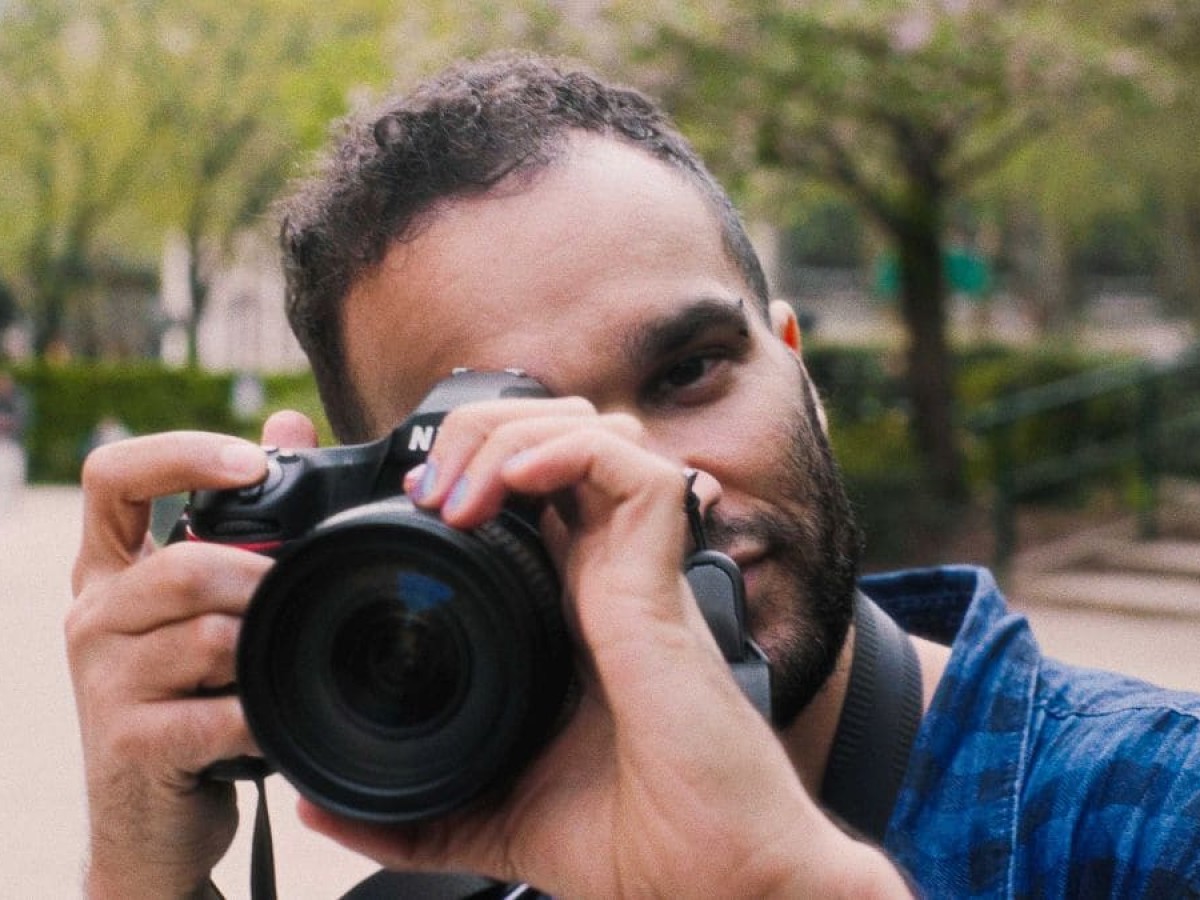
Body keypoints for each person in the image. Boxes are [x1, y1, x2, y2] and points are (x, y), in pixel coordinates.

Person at [67, 52, 1200, 898]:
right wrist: (139, 875)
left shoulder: (1153, 814)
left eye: (691, 371)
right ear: (386, 514)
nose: (650, 487)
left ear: (795, 366)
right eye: (517, 445)